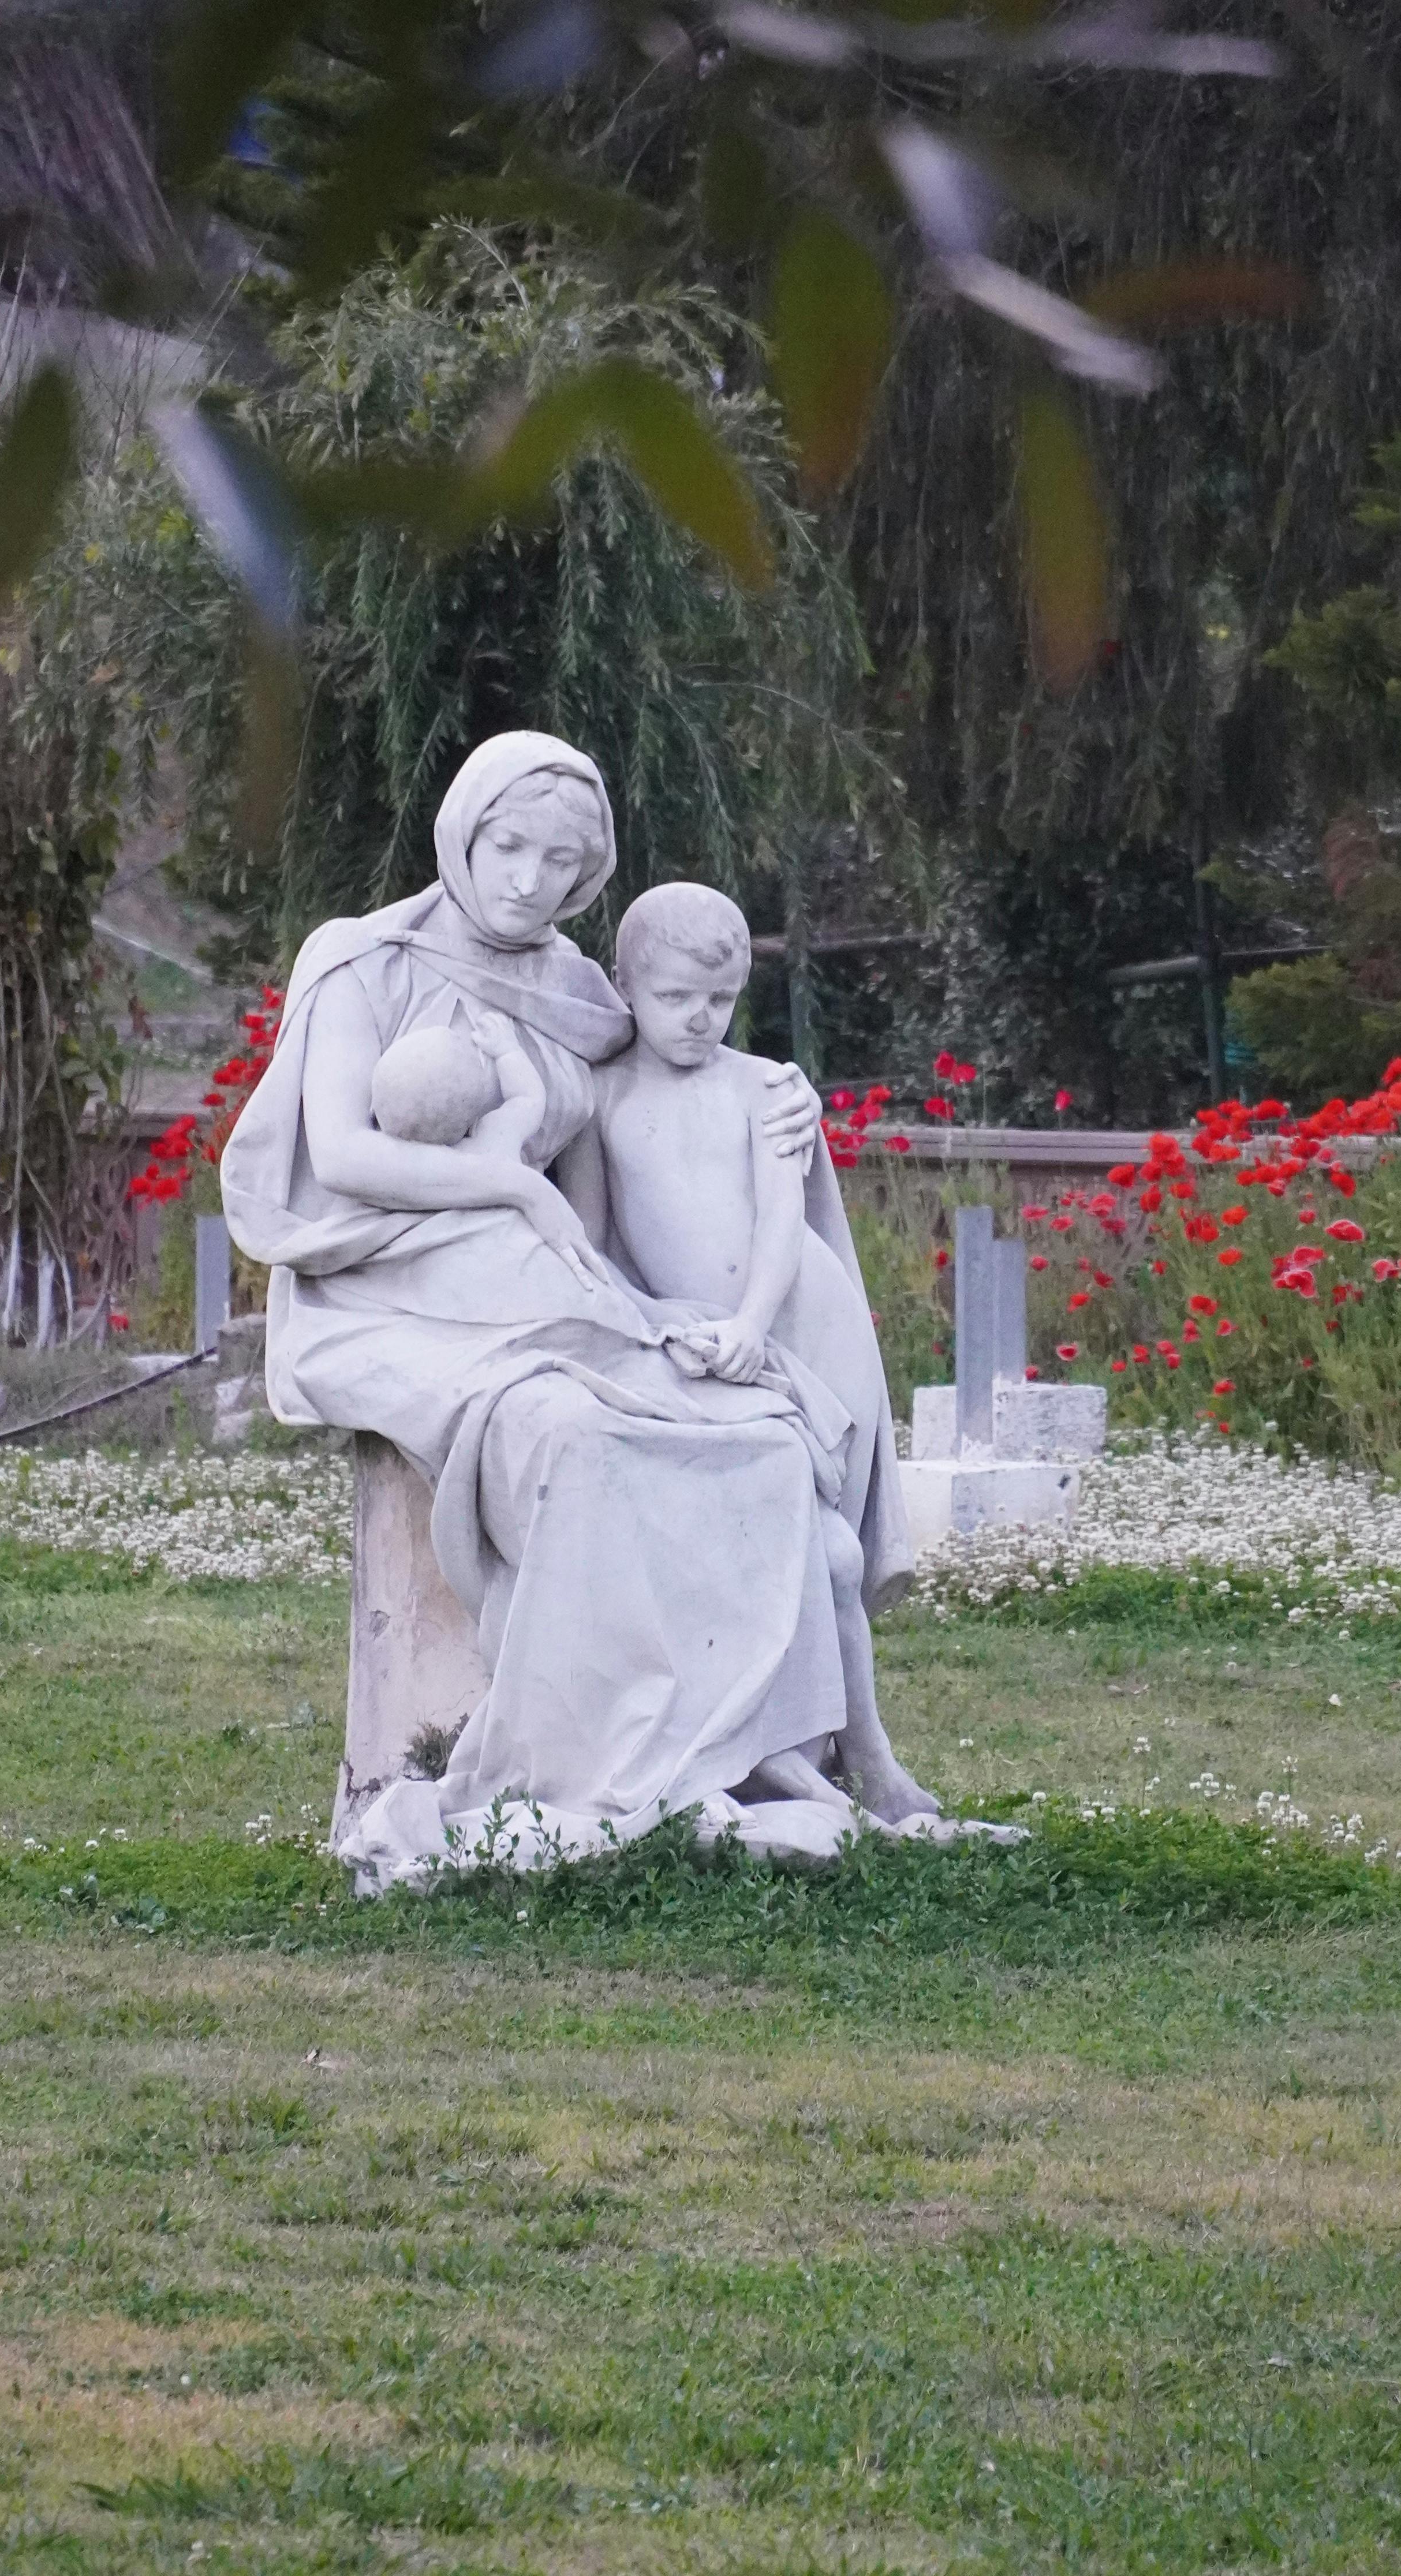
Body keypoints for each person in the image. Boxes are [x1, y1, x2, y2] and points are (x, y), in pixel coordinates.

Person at [218, 731, 924, 1882]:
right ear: (463, 832)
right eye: (507, 847)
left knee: (732, 1430)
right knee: (576, 1428)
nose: (526, 882)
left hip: (546, 1275)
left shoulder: (578, 993)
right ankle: (591, 1749)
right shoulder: (358, 962)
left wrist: (774, 1096)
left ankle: (743, 1745)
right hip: (383, 1282)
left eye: (560, 864)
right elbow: (340, 1154)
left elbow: (670, 1075)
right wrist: (502, 1182)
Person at [564, 880, 930, 1823]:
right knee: (799, 1552)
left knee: (830, 1549)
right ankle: (775, 1750)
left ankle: (861, 1754)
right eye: (676, 997)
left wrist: (752, 1328)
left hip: (799, 1327)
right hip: (691, 1343)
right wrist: (649, 1333)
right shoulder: (600, 1100)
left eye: (719, 1000)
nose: (699, 1019)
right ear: (626, 986)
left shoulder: (765, 1088)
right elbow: (597, 1245)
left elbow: (779, 1224)